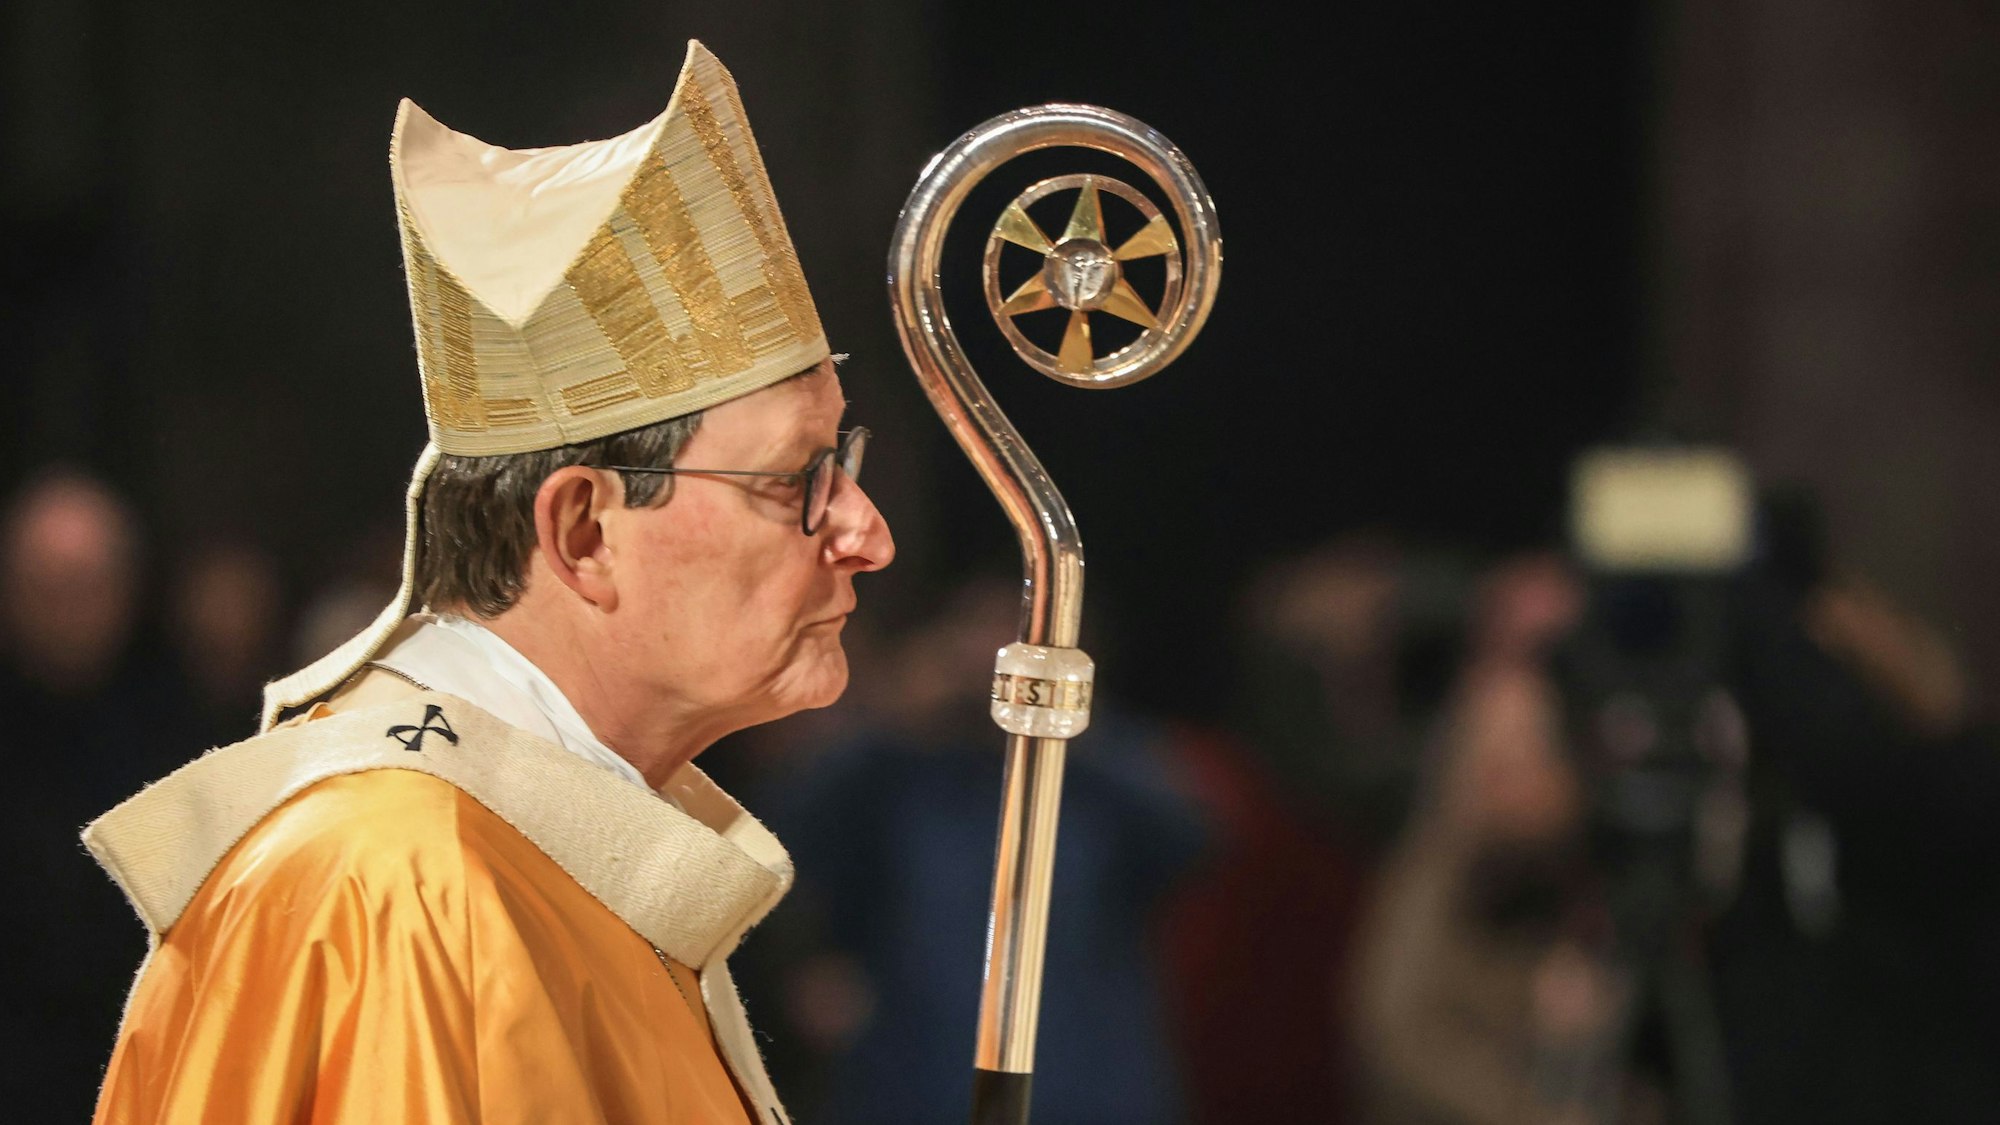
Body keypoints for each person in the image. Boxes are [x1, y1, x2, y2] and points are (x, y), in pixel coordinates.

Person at [82, 40, 892, 1125]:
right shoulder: (394, 883)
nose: (865, 532)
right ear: (583, 531)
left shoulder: (541, 852)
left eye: (846, 466)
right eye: (798, 477)